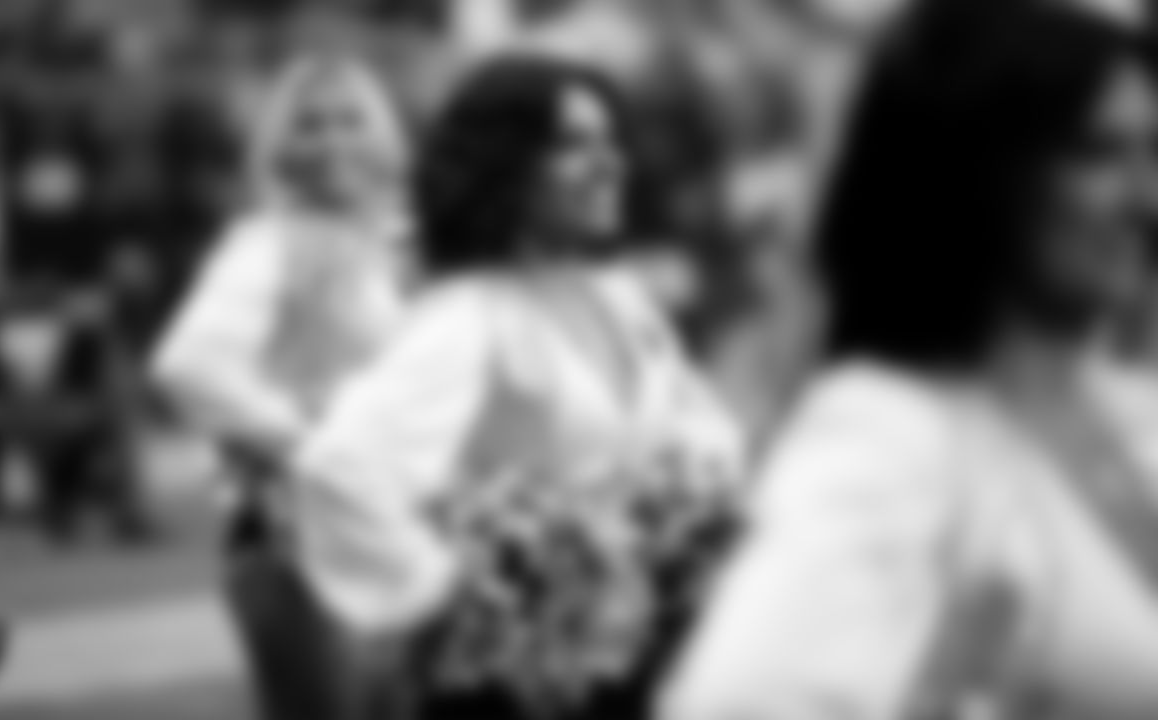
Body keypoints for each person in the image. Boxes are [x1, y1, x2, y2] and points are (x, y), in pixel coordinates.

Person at [658, 0, 1158, 718]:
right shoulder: (896, 439)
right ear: (983, 165)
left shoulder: (1130, 407)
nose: (1148, 199)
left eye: (1155, 150)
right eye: (1098, 153)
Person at [284, 55, 745, 718]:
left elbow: (707, 437)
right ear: (507, 166)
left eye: (610, 141)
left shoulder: (621, 298)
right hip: (517, 694)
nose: (608, 163)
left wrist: (684, 536)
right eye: (572, 145)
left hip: (636, 672)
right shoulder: (470, 315)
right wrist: (447, 593)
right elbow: (339, 468)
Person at [152, 55, 411, 720]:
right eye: (311, 125)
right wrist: (316, 442)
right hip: (300, 547)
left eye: (351, 121)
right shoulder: (268, 243)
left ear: (384, 133)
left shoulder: (406, 243)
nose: (332, 141)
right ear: (282, 147)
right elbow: (190, 365)